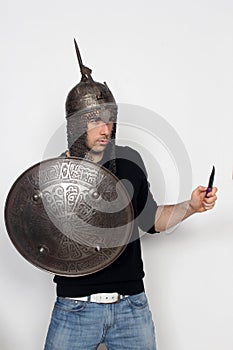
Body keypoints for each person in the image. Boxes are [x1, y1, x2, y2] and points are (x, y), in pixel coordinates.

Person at [44, 40, 217, 350]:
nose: (106, 128)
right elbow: (43, 241)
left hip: (131, 308)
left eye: (109, 119)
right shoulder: (55, 177)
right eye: (95, 119)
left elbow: (152, 221)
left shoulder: (129, 161)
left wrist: (191, 207)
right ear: (75, 124)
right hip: (75, 308)